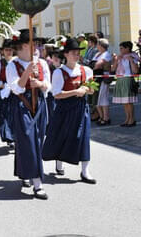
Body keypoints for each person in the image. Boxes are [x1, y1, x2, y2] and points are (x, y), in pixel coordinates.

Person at [43, 38, 96, 184]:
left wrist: (86, 89)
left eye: (78, 52)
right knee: (62, 136)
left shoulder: (86, 70)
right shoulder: (59, 73)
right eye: (73, 52)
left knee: (83, 138)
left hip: (81, 109)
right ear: (65, 54)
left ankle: (85, 171)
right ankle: (59, 162)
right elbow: (56, 94)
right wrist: (75, 92)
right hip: (64, 109)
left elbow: (91, 91)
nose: (76, 55)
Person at [6, 29, 51, 200]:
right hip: (21, 104)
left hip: (39, 104)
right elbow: (16, 88)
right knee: (28, 140)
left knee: (37, 141)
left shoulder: (42, 63)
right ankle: (38, 184)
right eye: (34, 44)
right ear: (25, 45)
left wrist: (39, 83)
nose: (37, 47)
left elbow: (49, 86)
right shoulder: (12, 65)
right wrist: (26, 73)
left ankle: (25, 172)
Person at [0, 39, 15, 148]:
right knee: (5, 114)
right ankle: (9, 137)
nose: (9, 52)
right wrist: (5, 85)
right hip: (4, 92)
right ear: (3, 51)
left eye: (10, 50)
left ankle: (15, 136)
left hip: (15, 92)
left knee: (15, 114)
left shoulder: (16, 62)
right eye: (6, 50)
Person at [111, 41, 139, 127]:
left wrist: (131, 60)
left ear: (127, 48)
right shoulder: (120, 57)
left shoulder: (133, 56)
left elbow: (135, 71)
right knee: (124, 102)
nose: (120, 50)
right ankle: (127, 119)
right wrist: (116, 60)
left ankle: (132, 119)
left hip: (128, 79)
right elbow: (113, 69)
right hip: (120, 79)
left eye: (122, 48)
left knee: (128, 101)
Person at [92, 38, 112, 125]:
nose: (97, 46)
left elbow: (97, 65)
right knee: (97, 99)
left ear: (101, 45)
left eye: (98, 44)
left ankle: (106, 117)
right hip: (96, 77)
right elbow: (93, 64)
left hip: (103, 78)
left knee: (103, 98)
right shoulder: (97, 54)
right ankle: (101, 116)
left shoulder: (106, 54)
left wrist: (91, 64)